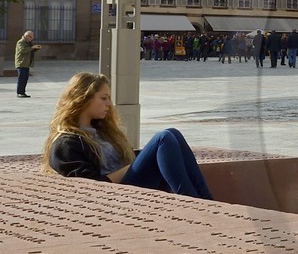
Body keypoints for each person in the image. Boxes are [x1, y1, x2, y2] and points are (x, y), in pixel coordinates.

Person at [42, 73, 213, 198]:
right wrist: (132, 165)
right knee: (164, 138)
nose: (109, 104)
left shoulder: (101, 131)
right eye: (103, 98)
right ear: (83, 99)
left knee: (173, 134)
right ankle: (191, 200)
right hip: (115, 195)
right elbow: (93, 185)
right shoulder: (66, 143)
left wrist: (138, 160)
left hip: (129, 184)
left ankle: (207, 201)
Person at [14, 30, 38, 97]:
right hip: (21, 63)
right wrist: (32, 47)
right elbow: (23, 50)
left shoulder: (28, 43)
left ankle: (23, 92)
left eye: (32, 37)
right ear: (26, 36)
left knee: (25, 78)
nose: (32, 38)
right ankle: (19, 93)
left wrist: (35, 49)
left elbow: (29, 51)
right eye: (31, 37)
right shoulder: (20, 42)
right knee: (21, 78)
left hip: (26, 64)